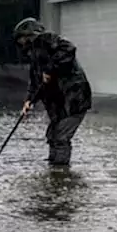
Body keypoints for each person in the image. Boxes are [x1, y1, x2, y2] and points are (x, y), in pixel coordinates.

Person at [14, 17, 92, 167]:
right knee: (52, 134)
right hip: (58, 102)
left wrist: (50, 69)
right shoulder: (35, 57)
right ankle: (54, 168)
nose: (21, 43)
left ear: (29, 35)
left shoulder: (48, 40)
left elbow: (69, 49)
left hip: (74, 98)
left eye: (22, 39)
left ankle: (61, 172)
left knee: (61, 136)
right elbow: (35, 82)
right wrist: (29, 101)